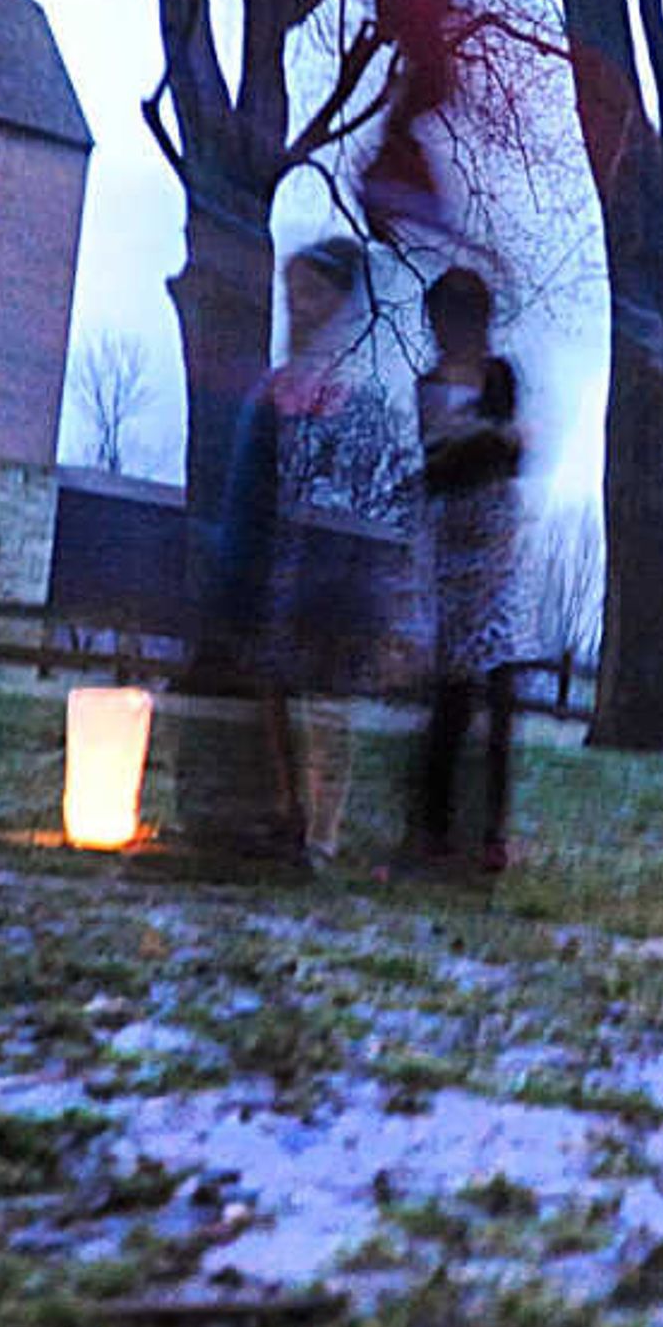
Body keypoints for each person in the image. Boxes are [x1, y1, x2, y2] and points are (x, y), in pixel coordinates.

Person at [196, 236, 410, 866]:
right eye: (293, 296)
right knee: (276, 701)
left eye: (314, 294)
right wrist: (235, 579)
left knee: (329, 712)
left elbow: (390, 497)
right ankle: (283, 815)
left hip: (341, 591)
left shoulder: (372, 400)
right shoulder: (274, 395)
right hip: (279, 587)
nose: (300, 308)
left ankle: (323, 831)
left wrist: (389, 597)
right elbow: (248, 496)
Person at [405, 266, 532, 872]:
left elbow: (510, 456)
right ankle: (434, 827)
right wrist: (486, 442)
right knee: (452, 695)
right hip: (452, 545)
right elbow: (443, 461)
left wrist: (483, 443)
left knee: (499, 689)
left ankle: (493, 831)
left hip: (496, 546)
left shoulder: (501, 376)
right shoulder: (430, 385)